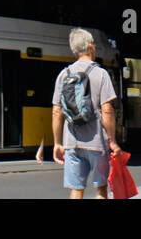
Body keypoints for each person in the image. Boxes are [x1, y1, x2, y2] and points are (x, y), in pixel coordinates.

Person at [52, 28, 122, 199]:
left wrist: (57, 143)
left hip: (72, 142)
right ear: (91, 46)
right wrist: (112, 141)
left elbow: (56, 111)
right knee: (101, 189)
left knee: (76, 189)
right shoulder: (101, 74)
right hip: (97, 143)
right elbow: (107, 110)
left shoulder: (64, 75)